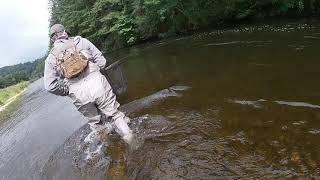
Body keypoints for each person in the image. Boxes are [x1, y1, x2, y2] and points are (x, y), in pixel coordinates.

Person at [44, 24, 134, 144]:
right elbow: (102, 61)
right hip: (98, 83)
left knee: (96, 124)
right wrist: (95, 70)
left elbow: (50, 86)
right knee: (115, 115)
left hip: (78, 94)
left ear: (52, 39)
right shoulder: (81, 41)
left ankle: (110, 151)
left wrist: (67, 89)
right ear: (65, 32)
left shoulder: (51, 57)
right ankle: (130, 140)